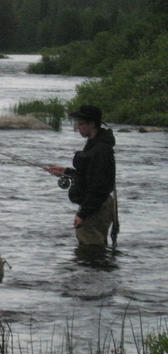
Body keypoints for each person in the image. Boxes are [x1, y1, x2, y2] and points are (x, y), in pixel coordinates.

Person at [47, 105, 116, 247]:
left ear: (92, 124)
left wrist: (82, 214)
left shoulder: (101, 150)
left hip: (96, 205)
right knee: (95, 248)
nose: (78, 127)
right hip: (96, 203)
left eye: (81, 124)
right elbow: (89, 175)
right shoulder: (95, 144)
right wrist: (66, 171)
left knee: (90, 248)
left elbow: (98, 186)